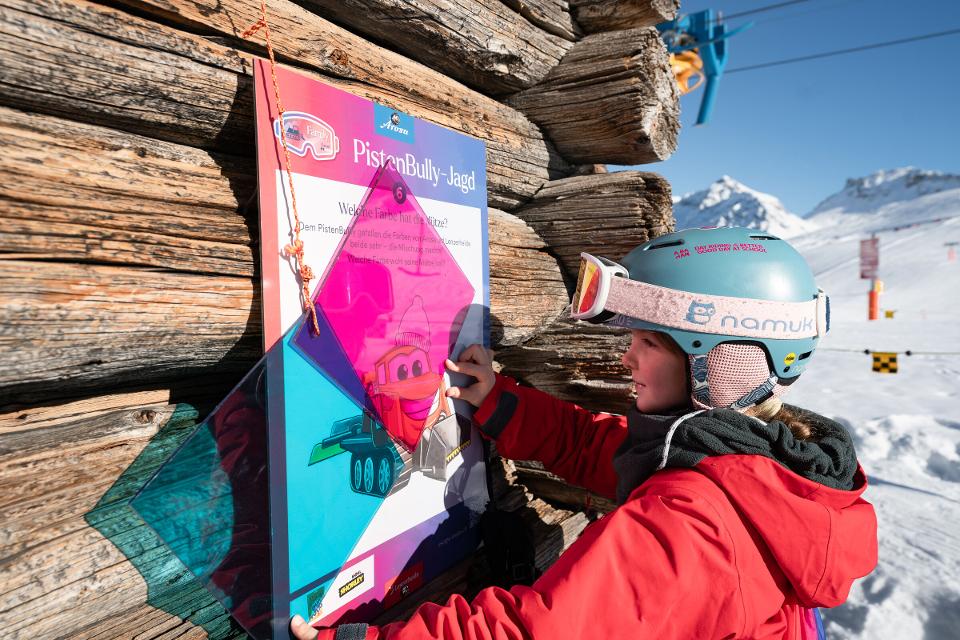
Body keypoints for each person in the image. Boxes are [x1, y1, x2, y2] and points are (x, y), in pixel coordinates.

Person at [291, 226, 878, 640]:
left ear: (719, 362)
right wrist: (500, 404)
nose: (627, 358)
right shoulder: (764, 465)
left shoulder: (696, 525)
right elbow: (598, 447)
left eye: (647, 342)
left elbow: (535, 632)